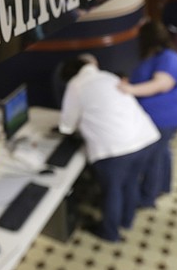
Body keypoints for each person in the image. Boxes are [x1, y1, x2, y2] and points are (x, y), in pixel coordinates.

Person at [58, 54, 160, 242]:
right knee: (130, 182)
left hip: (116, 149)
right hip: (146, 139)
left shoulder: (76, 84)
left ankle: (110, 233)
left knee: (112, 190)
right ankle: (126, 221)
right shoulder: (109, 77)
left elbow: (67, 126)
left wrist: (74, 127)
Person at [118, 20, 177, 207]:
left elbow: (162, 83)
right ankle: (162, 186)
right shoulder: (157, 56)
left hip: (163, 117)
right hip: (161, 117)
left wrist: (129, 89)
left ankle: (148, 196)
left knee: (153, 158)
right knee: (163, 152)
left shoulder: (169, 58)